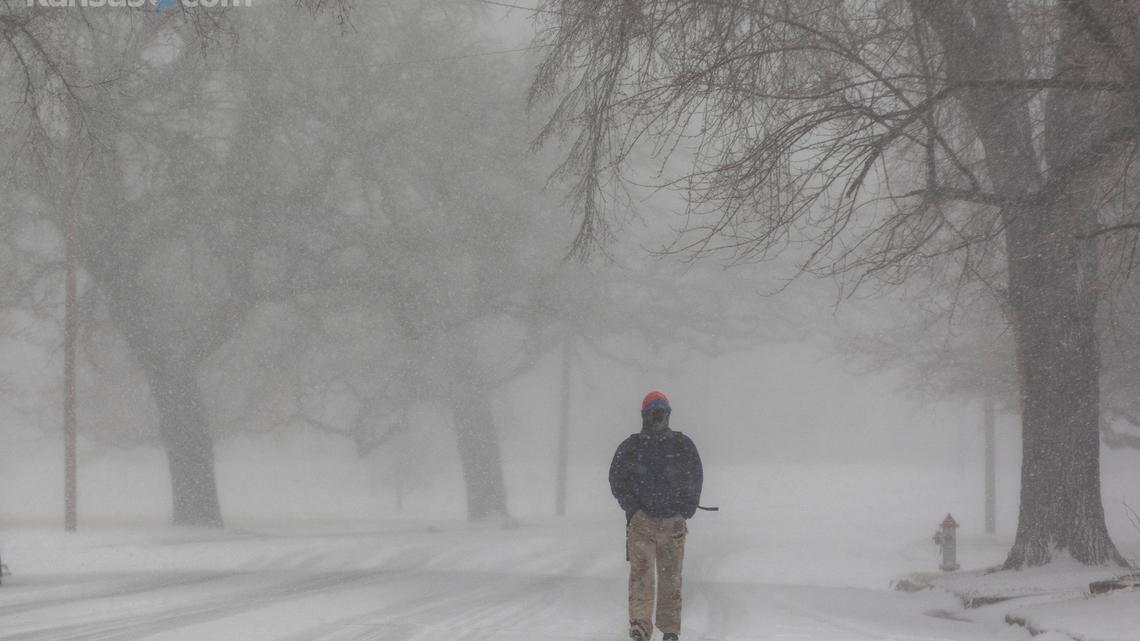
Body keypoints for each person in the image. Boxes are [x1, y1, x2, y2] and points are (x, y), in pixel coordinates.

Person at [609, 391, 703, 641]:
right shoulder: (631, 447)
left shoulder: (682, 446)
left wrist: (687, 507)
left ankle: (669, 629)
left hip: (672, 521)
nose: (658, 417)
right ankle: (641, 625)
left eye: (661, 412)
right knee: (643, 574)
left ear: (669, 415)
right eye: (653, 413)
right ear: (644, 416)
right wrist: (634, 508)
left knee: (670, 576)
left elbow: (695, 476)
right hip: (642, 523)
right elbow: (617, 480)